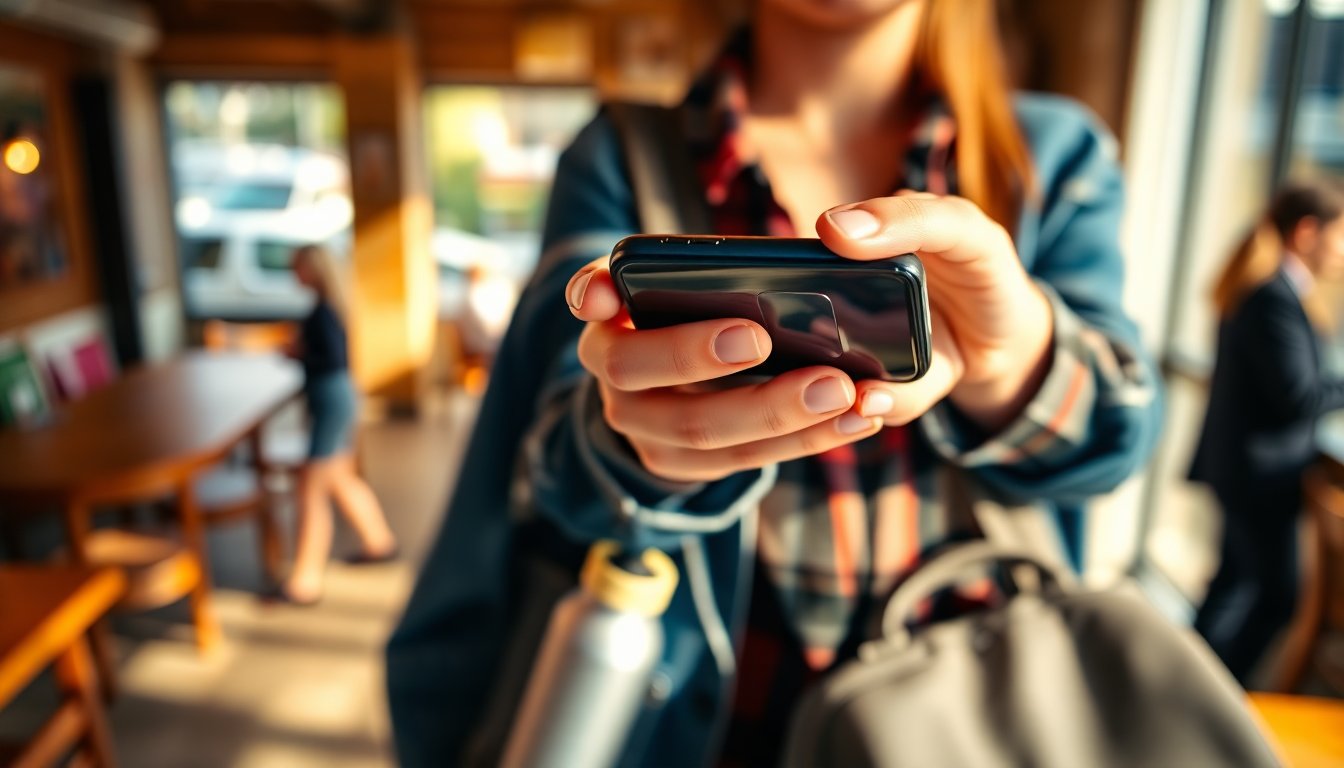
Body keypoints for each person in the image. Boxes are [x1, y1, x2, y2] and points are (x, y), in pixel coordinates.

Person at [388, 1, 1161, 764]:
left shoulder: (1052, 156)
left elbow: (1118, 444)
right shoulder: (618, 154)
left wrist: (1011, 366)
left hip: (969, 726)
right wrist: (631, 445)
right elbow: (552, 461)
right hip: (706, 732)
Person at [1190, 180, 1344, 684]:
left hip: (1246, 467)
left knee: (1231, 585)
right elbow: (1299, 397)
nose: (1343, 253)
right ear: (1307, 232)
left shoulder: (1266, 289)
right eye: (1341, 237)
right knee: (1276, 597)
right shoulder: (1273, 297)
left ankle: (1185, 690)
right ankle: (1215, 696)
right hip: (1259, 474)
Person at [275, 244, 398, 605]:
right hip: (339, 396)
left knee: (311, 489)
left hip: (331, 399)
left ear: (313, 270)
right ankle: (378, 541)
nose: (294, 274)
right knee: (341, 478)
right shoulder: (329, 307)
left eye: (298, 267)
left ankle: (305, 581)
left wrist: (297, 353)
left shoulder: (322, 313)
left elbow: (328, 358)